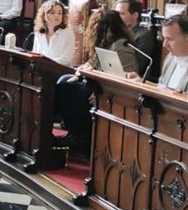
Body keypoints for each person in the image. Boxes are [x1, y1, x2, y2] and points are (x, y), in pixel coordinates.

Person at [54, 10, 137, 150]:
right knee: (64, 81)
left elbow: (121, 78)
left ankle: (81, 137)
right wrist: (80, 74)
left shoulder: (122, 47)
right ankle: (73, 133)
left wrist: (100, 92)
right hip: (99, 86)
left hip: (113, 94)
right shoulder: (107, 44)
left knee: (68, 90)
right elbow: (91, 64)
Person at [115, 0, 161, 81]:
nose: (117, 17)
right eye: (116, 14)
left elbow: (138, 66)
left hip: (132, 79)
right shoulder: (117, 32)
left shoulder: (144, 35)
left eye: (121, 14)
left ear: (135, 15)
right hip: (115, 73)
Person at [31, 0, 75, 66]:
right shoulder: (39, 33)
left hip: (59, 69)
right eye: (52, 13)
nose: (57, 16)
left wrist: (47, 63)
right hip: (40, 68)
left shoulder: (68, 33)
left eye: (60, 13)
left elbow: (67, 59)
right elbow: (35, 54)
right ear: (44, 16)